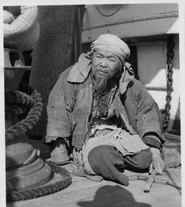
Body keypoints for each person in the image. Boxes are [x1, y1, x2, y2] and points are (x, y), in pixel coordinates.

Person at [45, 33, 165, 186]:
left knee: (144, 159)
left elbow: (148, 113)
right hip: (86, 140)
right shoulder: (71, 77)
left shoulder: (129, 83)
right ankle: (108, 166)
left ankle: (107, 163)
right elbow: (58, 114)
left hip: (117, 136)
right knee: (99, 156)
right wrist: (60, 159)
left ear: (119, 65)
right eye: (99, 56)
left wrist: (155, 152)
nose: (103, 63)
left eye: (111, 59)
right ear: (92, 56)